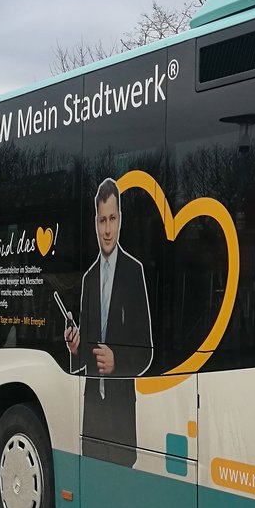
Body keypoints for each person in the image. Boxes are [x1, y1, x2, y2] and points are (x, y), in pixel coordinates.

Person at [64, 178, 153, 467]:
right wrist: (76, 347)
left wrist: (118, 361)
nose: (107, 229)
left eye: (112, 219)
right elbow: (87, 350)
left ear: (120, 219)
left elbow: (146, 350)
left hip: (121, 414)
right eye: (102, 220)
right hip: (92, 415)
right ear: (95, 221)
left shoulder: (134, 271)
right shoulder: (89, 278)